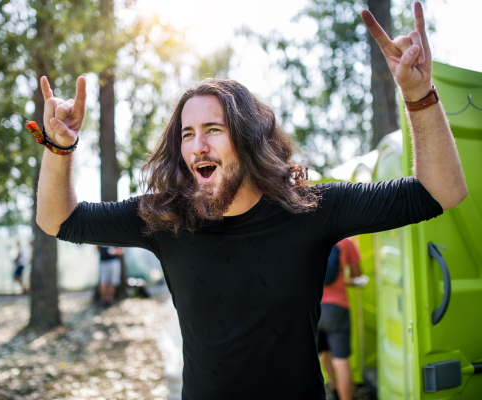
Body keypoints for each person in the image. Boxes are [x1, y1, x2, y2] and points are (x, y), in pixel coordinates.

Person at [32, 4, 467, 399]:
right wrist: (59, 147)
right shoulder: (164, 217)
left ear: (248, 139)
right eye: (187, 134)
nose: (197, 146)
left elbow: (441, 192)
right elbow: (58, 221)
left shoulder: (311, 208)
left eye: (213, 130)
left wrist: (419, 96)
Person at [317, 238, 362, 400]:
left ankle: (334, 389)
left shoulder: (309, 236)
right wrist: (346, 280)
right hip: (337, 308)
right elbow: (358, 274)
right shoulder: (345, 242)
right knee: (342, 362)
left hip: (313, 309)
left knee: (322, 352)